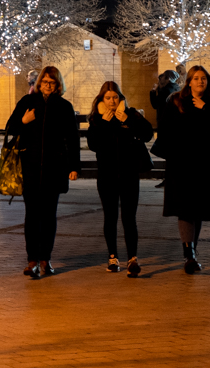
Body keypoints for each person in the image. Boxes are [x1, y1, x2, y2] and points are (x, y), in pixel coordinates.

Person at [5, 66, 81, 279]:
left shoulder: (64, 107)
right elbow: (10, 128)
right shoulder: (27, 103)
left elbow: (72, 139)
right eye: (44, 82)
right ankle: (32, 260)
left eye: (52, 83)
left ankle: (46, 259)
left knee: (48, 215)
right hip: (29, 165)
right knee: (32, 215)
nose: (47, 86)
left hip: (54, 168)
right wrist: (23, 121)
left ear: (58, 85)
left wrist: (74, 166)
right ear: (38, 83)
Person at [156, 66, 210, 273]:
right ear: (189, 81)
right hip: (182, 162)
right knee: (185, 207)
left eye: (203, 78)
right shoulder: (177, 101)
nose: (200, 82)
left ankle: (192, 251)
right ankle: (189, 254)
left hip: (204, 161)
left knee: (199, 208)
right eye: (196, 78)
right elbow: (165, 128)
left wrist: (205, 108)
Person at [86, 80, 153, 276]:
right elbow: (93, 144)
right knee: (110, 217)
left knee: (129, 217)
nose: (112, 101)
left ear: (120, 97)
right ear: (102, 99)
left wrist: (129, 121)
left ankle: (132, 258)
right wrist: (105, 124)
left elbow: (148, 133)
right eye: (108, 98)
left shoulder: (131, 114)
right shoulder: (97, 119)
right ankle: (112, 257)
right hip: (106, 176)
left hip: (129, 174)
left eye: (115, 97)